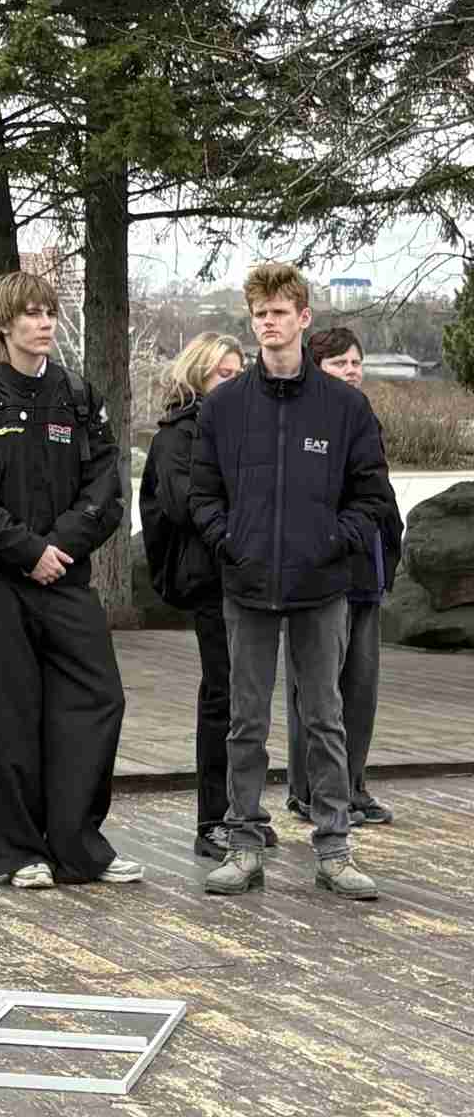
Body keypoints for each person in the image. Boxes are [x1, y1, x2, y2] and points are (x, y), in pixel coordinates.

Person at [0, 269, 142, 890]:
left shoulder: (76, 394)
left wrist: (60, 548)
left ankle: (78, 845)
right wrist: (26, 552)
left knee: (98, 698)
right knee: (7, 715)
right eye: (31, 313)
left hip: (66, 579)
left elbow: (107, 484)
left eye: (49, 312)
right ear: (3, 324)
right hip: (0, 583)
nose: (44, 323)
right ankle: (17, 851)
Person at [190, 263, 390, 901]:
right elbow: (202, 494)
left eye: (279, 312)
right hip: (247, 585)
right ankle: (243, 845)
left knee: (325, 718)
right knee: (245, 721)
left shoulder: (345, 407)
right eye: (260, 314)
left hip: (321, 587)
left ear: (304, 318)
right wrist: (231, 541)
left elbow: (371, 494)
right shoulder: (224, 406)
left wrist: (331, 542)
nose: (268, 323)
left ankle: (334, 848)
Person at [140, 333, 280, 859]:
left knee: (250, 696)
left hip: (250, 576)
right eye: (223, 372)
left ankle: (244, 810)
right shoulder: (177, 436)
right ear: (198, 374)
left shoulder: (249, 426)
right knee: (222, 695)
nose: (234, 381)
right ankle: (213, 819)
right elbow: (184, 506)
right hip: (211, 578)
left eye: (238, 372)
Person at [285, 327, 403, 829]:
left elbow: (380, 495)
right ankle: (309, 791)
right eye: (339, 363)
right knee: (315, 692)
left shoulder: (364, 417)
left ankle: (352, 785)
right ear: (316, 368)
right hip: (320, 577)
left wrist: (390, 549)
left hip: (366, 575)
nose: (351, 371)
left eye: (356, 362)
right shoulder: (301, 417)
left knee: (360, 688)